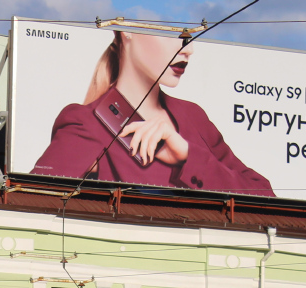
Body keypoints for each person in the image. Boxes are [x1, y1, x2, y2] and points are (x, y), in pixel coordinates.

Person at [30, 29, 274, 197]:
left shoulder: (193, 117)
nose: (187, 49)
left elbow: (266, 198)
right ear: (127, 32)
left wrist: (187, 156)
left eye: (187, 36)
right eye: (170, 33)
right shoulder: (86, 123)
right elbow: (30, 202)